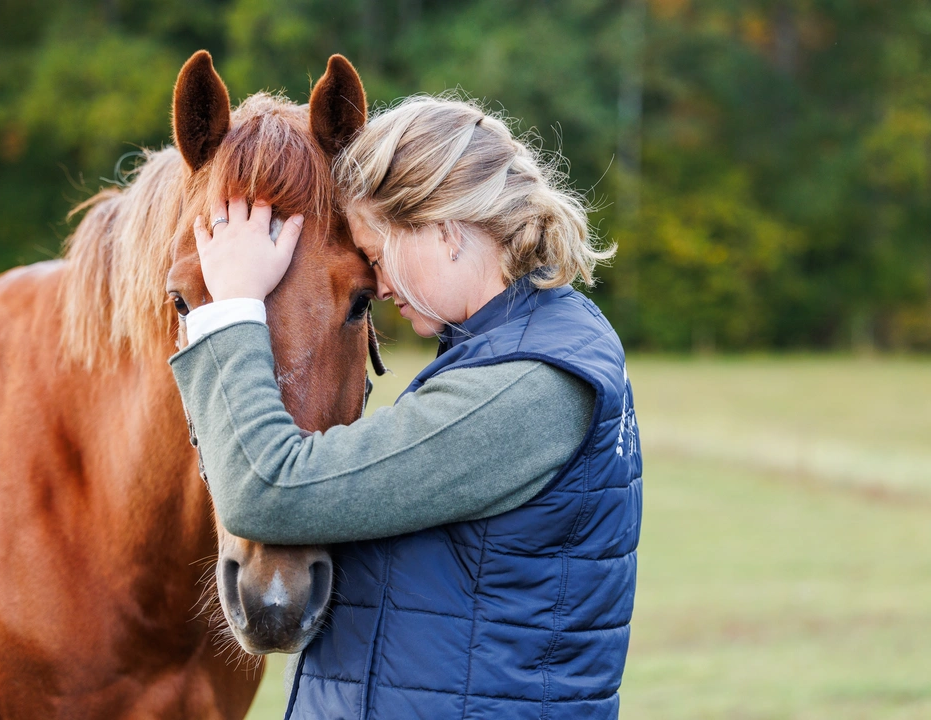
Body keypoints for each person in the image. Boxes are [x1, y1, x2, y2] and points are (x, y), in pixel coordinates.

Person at [170, 96, 642, 720]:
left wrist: (232, 303)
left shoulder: (527, 386)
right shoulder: (520, 348)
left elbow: (269, 493)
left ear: (445, 229)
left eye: (378, 251)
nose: (382, 285)